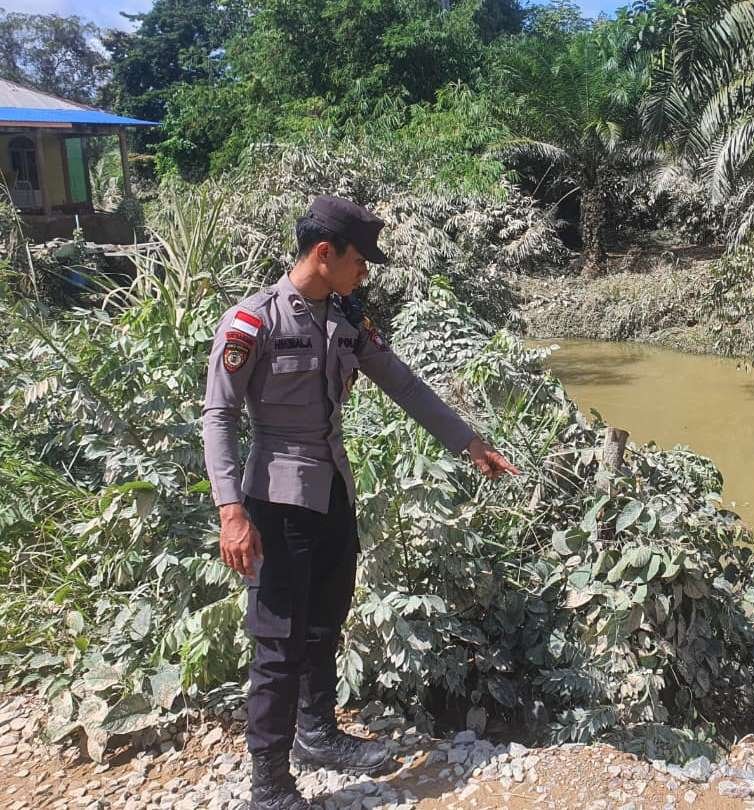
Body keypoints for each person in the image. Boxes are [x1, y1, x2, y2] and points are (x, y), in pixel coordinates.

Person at [202, 195, 520, 810]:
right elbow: (219, 415)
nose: (365, 272)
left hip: (333, 493)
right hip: (274, 500)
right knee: (277, 641)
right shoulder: (253, 323)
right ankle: (268, 785)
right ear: (325, 254)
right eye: (359, 260)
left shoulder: (346, 319)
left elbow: (401, 382)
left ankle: (315, 734)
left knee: (324, 621)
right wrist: (231, 512)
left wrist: (469, 442)